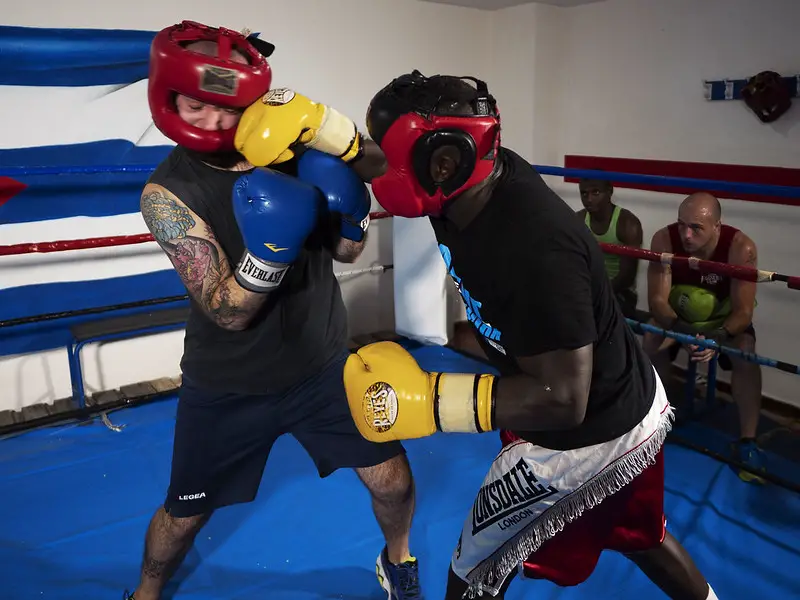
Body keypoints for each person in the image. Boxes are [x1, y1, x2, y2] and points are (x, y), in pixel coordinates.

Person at [340, 71, 720, 599]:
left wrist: (432, 400)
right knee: (637, 536)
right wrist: (313, 134)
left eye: (392, 156)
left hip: (586, 432)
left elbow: (563, 400)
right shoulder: (467, 175)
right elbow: (383, 158)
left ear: (443, 162)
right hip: (628, 395)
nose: (382, 173)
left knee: (472, 572)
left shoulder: (535, 248)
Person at [126, 21, 421, 600]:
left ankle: (399, 559)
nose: (213, 123)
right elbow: (227, 311)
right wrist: (269, 248)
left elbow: (346, 248)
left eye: (226, 109)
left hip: (322, 365)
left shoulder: (290, 149)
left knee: (392, 479)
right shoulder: (167, 194)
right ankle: (145, 592)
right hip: (229, 383)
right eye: (196, 104)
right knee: (183, 517)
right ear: (169, 97)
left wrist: (349, 207)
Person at [643, 192, 764, 483]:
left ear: (717, 226)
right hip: (680, 319)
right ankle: (661, 419)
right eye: (682, 224)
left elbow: (743, 312)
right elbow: (658, 301)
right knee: (650, 339)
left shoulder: (740, 248)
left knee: (746, 352)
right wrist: (683, 332)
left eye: (696, 227)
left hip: (722, 323)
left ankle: (748, 441)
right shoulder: (665, 240)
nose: (686, 234)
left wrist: (715, 338)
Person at [576, 176, 643, 318]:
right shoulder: (578, 220)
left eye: (595, 193)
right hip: (588, 288)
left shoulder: (627, 223)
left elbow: (627, 277)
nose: (589, 199)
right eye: (584, 193)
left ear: (609, 192)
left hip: (620, 293)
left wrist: (596, 295)